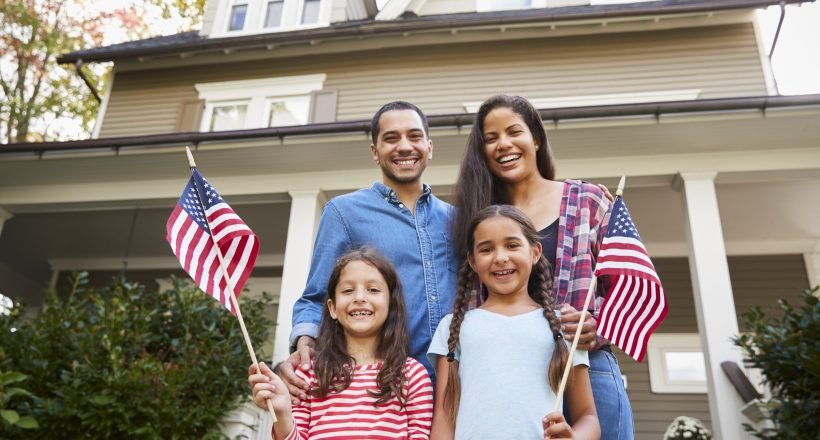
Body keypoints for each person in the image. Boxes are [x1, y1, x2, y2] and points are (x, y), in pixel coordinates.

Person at [451, 95, 633, 439]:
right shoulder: (481, 217)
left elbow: (626, 286)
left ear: (535, 137)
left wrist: (600, 324)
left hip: (586, 369)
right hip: (510, 379)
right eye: (491, 138)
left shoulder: (588, 201)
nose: (503, 144)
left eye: (513, 131)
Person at [279, 101, 457, 403]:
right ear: (375, 151)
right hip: (384, 391)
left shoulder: (457, 219)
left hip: (456, 388)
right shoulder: (344, 213)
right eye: (391, 138)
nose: (404, 146)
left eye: (414, 136)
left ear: (429, 146)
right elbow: (317, 296)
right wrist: (305, 341)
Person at [428, 205, 599, 440]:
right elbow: (444, 418)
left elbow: (587, 417)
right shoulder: (452, 327)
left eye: (512, 245)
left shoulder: (564, 326)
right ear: (473, 261)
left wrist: (574, 437)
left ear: (535, 252)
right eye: (486, 249)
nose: (501, 258)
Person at [248, 248, 434, 439]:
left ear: (391, 305)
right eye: (347, 290)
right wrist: (281, 412)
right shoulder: (309, 374)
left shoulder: (412, 375)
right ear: (333, 308)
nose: (359, 297)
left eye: (373, 290)